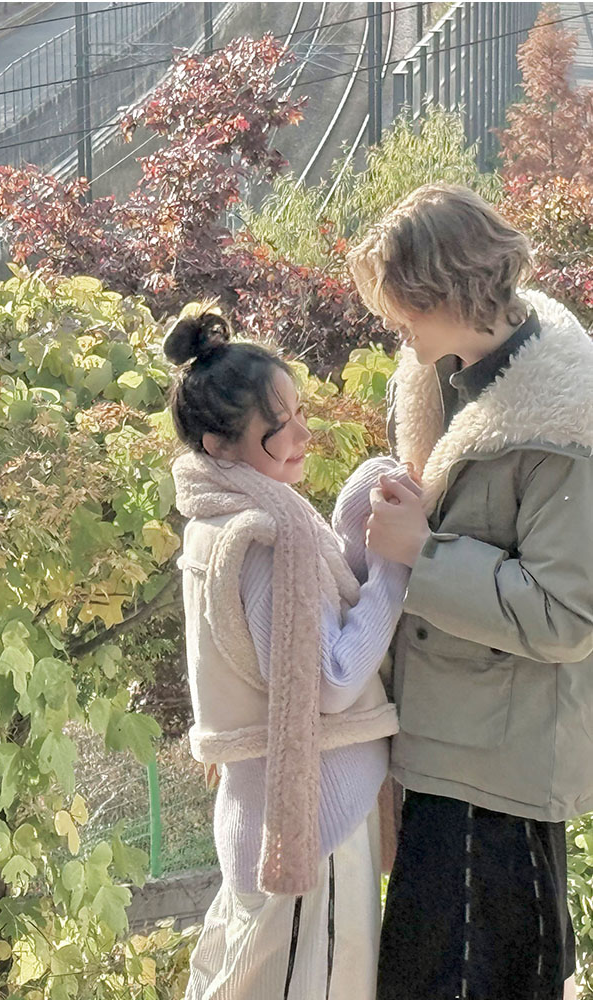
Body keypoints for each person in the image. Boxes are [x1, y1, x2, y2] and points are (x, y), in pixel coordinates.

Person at [348, 182, 593, 1000]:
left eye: (400, 305)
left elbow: (567, 616)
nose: (392, 324)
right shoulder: (450, 375)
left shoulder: (562, 419)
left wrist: (422, 554)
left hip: (499, 773)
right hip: (446, 750)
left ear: (445, 290)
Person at [166, 307, 411, 999]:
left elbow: (304, 628)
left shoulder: (215, 525)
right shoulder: (267, 537)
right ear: (219, 444)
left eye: (299, 412)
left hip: (268, 812)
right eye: (279, 423)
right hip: (313, 824)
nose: (304, 433)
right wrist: (394, 568)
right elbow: (328, 680)